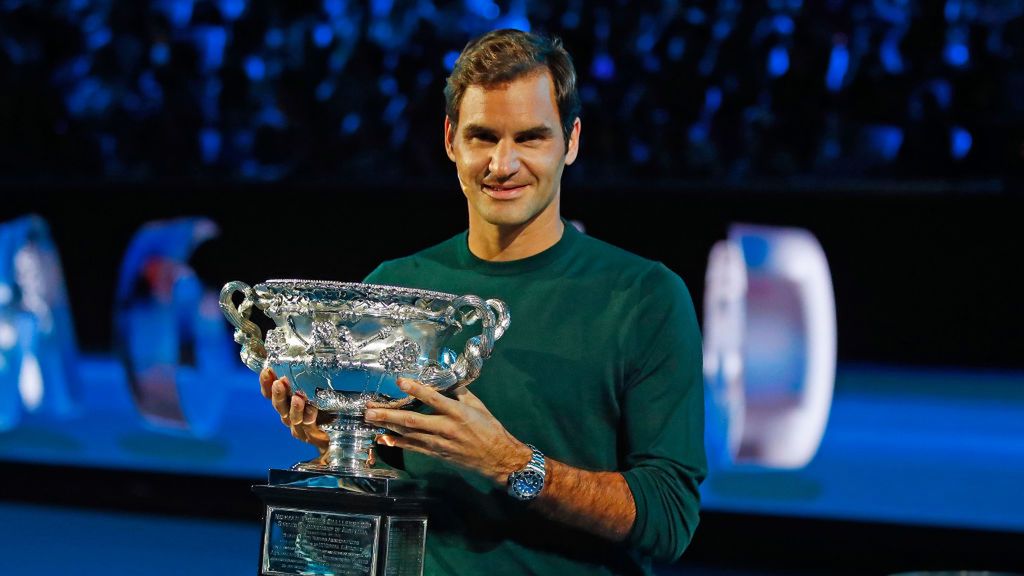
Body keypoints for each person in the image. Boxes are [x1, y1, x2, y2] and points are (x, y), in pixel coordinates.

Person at [259, 29, 706, 575]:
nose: (502, 163)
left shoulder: (645, 297)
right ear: (451, 140)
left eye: (531, 138)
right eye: (483, 137)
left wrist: (512, 464)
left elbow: (669, 518)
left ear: (572, 141)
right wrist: (337, 440)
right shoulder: (394, 287)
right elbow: (382, 480)